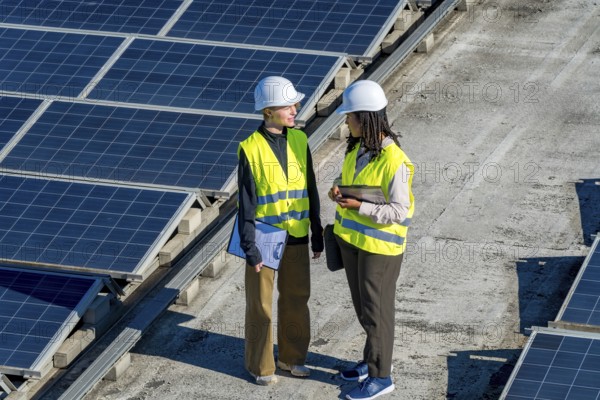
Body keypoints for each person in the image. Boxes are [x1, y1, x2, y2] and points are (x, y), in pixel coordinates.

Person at [328, 80, 414, 400]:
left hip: (380, 248)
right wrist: (339, 190)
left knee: (378, 312)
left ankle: (381, 376)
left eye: (349, 116)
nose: (346, 121)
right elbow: (350, 181)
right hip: (353, 242)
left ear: (365, 118)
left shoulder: (395, 162)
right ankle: (369, 361)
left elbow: (400, 212)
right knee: (364, 309)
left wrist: (358, 205)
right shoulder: (357, 148)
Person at [237, 76, 324, 386]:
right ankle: (260, 366)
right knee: (260, 305)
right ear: (268, 110)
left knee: (296, 299)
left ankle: (292, 358)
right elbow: (246, 203)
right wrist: (250, 248)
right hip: (263, 239)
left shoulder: (300, 140)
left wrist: (317, 230)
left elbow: (310, 187)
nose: (295, 108)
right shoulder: (249, 148)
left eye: (295, 104)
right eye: (289, 104)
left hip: (297, 235)